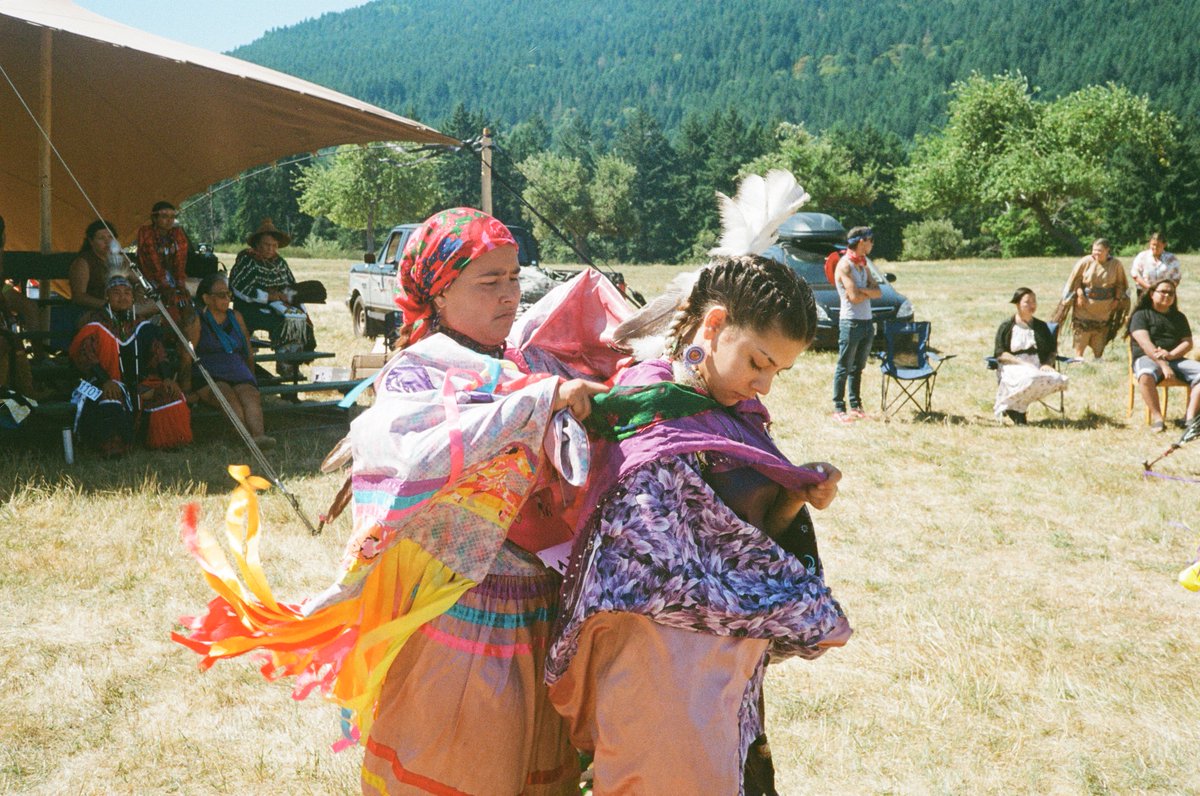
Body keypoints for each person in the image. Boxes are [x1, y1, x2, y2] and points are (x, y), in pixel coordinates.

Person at [175, 208, 609, 795]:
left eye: (513, 277)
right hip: (462, 615)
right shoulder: (416, 373)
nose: (509, 295)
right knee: (466, 763)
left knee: (530, 766)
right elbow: (415, 456)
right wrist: (537, 403)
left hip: (535, 606)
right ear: (440, 291)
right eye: (490, 282)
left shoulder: (520, 363)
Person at [545, 254, 851, 794]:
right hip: (656, 667)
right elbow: (644, 561)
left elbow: (746, 536)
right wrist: (774, 602)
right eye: (758, 362)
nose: (765, 385)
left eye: (779, 370)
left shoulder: (739, 415)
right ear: (713, 325)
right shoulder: (647, 403)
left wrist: (795, 498)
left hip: (722, 668)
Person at [69, 273, 191, 456]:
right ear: (106, 297)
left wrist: (166, 378)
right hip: (95, 383)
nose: (122, 297)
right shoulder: (95, 324)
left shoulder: (143, 326)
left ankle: (166, 441)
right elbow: (86, 357)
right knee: (110, 396)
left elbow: (159, 354)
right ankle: (113, 446)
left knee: (170, 392)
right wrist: (105, 381)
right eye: (116, 293)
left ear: (133, 297)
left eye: (127, 292)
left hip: (138, 383)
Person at [187, 273, 273, 449]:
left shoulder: (236, 317)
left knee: (250, 396)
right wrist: (186, 386)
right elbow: (186, 354)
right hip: (209, 372)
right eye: (221, 295)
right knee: (228, 397)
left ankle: (259, 437)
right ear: (206, 298)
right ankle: (246, 441)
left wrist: (252, 377)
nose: (227, 299)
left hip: (237, 370)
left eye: (228, 295)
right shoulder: (197, 319)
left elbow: (247, 350)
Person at [228, 218, 319, 378]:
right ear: (257, 244)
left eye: (274, 245)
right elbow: (238, 287)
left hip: (279, 305)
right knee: (282, 322)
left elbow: (291, 286)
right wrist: (267, 297)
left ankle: (290, 367)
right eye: (266, 245)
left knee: (298, 320)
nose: (271, 249)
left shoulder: (280, 262)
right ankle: (281, 365)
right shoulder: (247, 259)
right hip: (250, 308)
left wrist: (291, 300)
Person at [1127, 278, 1200, 432]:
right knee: (1145, 375)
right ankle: (1158, 418)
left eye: (1171, 293)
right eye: (1163, 292)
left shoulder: (1179, 317)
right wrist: (1163, 364)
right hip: (1147, 358)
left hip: (1175, 359)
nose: (1167, 296)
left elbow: (1187, 342)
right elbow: (1145, 344)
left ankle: (1190, 419)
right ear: (1152, 294)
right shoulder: (1141, 315)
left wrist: (1171, 355)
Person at [992, 287, 1069, 425]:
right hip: (1013, 365)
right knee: (1030, 377)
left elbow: (1052, 350)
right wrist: (1021, 363)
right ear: (1017, 304)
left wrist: (1047, 364)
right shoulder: (1006, 326)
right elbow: (1000, 352)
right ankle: (1014, 408)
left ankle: (1016, 407)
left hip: (1037, 364)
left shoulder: (1041, 326)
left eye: (1034, 301)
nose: (1032, 305)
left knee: (1059, 379)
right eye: (1027, 302)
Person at [831, 225, 881, 422]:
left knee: (858, 367)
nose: (872, 244)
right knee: (844, 365)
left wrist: (864, 290)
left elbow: (878, 292)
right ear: (862, 241)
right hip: (850, 322)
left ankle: (856, 405)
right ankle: (838, 408)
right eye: (870, 241)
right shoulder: (845, 265)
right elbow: (853, 297)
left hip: (867, 322)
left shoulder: (863, 263)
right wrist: (865, 290)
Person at [1054, 238, 1129, 359]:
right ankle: (1079, 357)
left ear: (1107, 250)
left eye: (1100, 251)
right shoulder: (1085, 262)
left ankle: (1098, 357)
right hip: (1084, 305)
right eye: (1094, 250)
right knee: (1082, 331)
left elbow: (1120, 284)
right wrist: (1080, 294)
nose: (1096, 253)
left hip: (1105, 307)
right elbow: (1076, 280)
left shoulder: (1116, 264)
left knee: (1100, 332)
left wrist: (1117, 299)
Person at [134, 200, 192, 320]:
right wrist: (166, 287)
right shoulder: (145, 232)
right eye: (164, 216)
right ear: (154, 218)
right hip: (149, 278)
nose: (169, 220)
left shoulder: (177, 233)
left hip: (172, 277)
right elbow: (153, 262)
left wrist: (180, 285)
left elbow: (181, 261)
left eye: (172, 217)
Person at [69, 219, 123, 311]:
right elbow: (79, 297)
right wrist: (109, 306)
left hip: (122, 305)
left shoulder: (120, 259)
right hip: (95, 310)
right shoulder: (83, 262)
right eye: (101, 238)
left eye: (110, 237)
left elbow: (137, 280)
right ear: (91, 241)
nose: (107, 242)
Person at [1130, 232, 1182, 297]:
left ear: (1164, 245)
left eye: (1158, 245)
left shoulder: (1171, 259)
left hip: (1165, 294)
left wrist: (1165, 290)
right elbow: (1135, 274)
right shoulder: (1142, 256)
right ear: (1149, 244)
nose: (1155, 247)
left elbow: (1176, 278)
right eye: (1153, 245)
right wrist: (1149, 288)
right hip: (1144, 292)